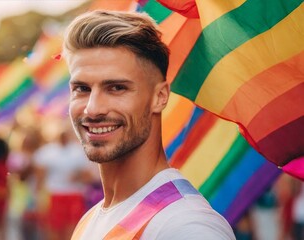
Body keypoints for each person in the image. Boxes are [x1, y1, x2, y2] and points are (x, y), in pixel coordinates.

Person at [62, 10, 236, 239]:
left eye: (116, 88)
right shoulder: (91, 218)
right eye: (82, 89)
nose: (93, 109)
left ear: (160, 97)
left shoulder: (186, 226)